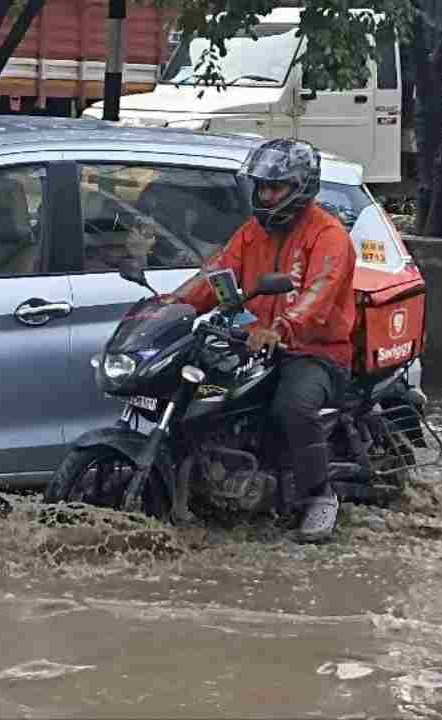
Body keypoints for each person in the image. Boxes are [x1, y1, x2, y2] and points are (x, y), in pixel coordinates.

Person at [164, 138, 358, 542]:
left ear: (301, 187)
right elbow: (217, 274)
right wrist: (172, 306)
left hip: (315, 351)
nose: (265, 195)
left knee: (293, 406)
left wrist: (282, 328)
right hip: (254, 343)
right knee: (202, 395)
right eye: (262, 186)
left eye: (276, 187)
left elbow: (318, 294)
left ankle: (320, 495)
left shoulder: (329, 235)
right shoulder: (252, 232)